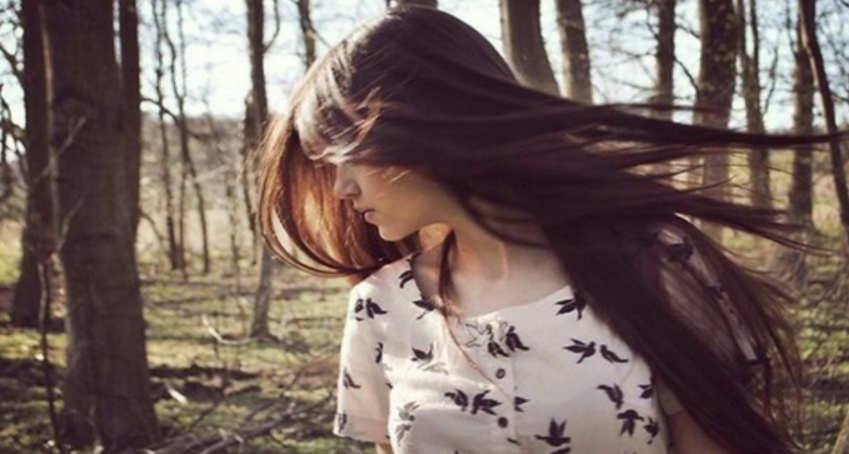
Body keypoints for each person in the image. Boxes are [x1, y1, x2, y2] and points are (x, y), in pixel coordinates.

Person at [257, 6, 834, 454]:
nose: (340, 189)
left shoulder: (652, 261)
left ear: (422, 125)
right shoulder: (381, 307)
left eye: (345, 157)